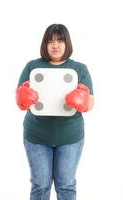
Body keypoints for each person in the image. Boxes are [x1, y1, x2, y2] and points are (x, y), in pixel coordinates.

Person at [16, 24, 94, 200]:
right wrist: (22, 97)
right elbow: (19, 98)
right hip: (37, 137)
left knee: (66, 186)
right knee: (40, 185)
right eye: (50, 41)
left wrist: (82, 100)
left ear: (67, 43)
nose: (55, 45)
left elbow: (90, 104)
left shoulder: (79, 69)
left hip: (70, 138)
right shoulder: (32, 66)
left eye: (60, 41)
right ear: (45, 45)